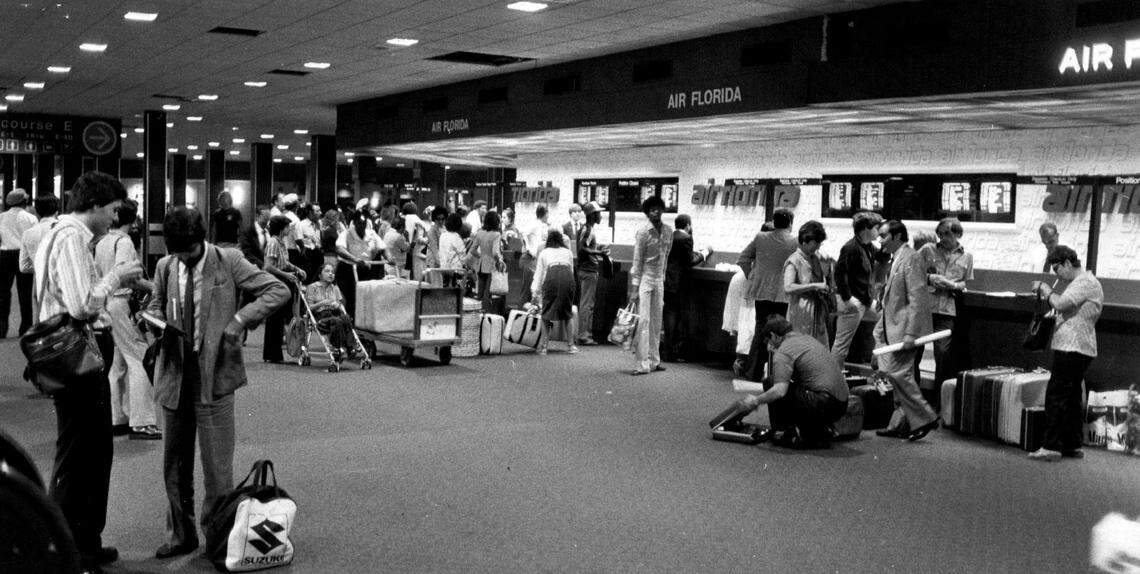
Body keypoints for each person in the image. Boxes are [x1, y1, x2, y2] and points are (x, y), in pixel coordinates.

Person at [147, 207, 288, 560]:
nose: (183, 259)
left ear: (203, 239)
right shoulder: (166, 266)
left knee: (217, 469)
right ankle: (181, 535)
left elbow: (276, 290)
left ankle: (218, 539)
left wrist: (240, 320)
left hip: (216, 378)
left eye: (189, 253)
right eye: (176, 253)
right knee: (174, 467)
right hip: (175, 377)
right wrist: (153, 319)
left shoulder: (230, 260)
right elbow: (155, 304)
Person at [33, 171, 144, 573]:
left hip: (71, 353)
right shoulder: (72, 238)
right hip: (78, 355)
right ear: (95, 205)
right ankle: (69, 547)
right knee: (82, 455)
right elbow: (82, 305)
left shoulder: (58, 233)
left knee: (89, 452)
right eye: (113, 210)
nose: (114, 218)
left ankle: (81, 541)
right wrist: (117, 276)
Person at [1028, 245, 1103, 461]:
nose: (1056, 275)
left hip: (1072, 346)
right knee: (1070, 398)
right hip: (1080, 347)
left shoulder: (1085, 282)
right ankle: (1072, 445)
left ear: (1068, 263)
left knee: (1056, 395)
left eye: (1056, 269)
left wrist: (1045, 289)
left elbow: (1061, 304)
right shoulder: (1085, 282)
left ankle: (1051, 446)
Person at [94, 199, 160, 441]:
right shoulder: (124, 241)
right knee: (140, 357)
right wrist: (153, 287)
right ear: (133, 220)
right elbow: (127, 277)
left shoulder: (102, 241)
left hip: (107, 304)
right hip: (121, 302)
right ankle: (142, 421)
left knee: (117, 363)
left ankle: (117, 417)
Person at [873, 220, 940, 442]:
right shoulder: (899, 259)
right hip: (893, 328)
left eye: (883, 236)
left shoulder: (911, 258)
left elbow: (918, 298)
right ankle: (900, 422)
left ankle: (925, 416)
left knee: (899, 373)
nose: (879, 240)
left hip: (904, 330)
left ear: (898, 236)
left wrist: (911, 333)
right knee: (896, 375)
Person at [739, 316, 849, 449]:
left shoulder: (784, 350)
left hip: (823, 403)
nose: (769, 345)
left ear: (773, 336)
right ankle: (818, 428)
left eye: (769, 340)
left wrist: (755, 401)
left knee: (772, 381)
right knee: (795, 384)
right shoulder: (806, 339)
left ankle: (782, 431)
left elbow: (779, 391)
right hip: (842, 404)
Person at [917, 217, 973, 407]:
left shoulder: (967, 256)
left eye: (947, 234)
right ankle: (913, 397)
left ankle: (939, 401)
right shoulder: (927, 250)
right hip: (925, 307)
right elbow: (912, 271)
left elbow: (967, 282)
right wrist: (931, 278)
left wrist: (954, 285)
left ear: (957, 233)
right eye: (940, 234)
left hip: (948, 309)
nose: (942, 238)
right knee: (915, 350)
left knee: (943, 353)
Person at [737, 207, 798, 380]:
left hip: (762, 290)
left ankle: (752, 372)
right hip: (783, 293)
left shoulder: (761, 237)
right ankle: (773, 373)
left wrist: (752, 274)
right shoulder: (795, 241)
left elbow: (743, 258)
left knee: (760, 330)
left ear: (774, 221)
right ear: (790, 223)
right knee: (779, 333)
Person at [831, 211, 882, 367]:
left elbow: (881, 257)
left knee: (886, 317)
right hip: (853, 300)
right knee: (842, 343)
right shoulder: (850, 247)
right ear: (866, 228)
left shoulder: (868, 247)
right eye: (877, 228)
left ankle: (877, 357)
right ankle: (833, 374)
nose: (878, 232)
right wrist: (848, 298)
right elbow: (839, 273)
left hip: (864, 300)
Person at [629, 196, 673, 375]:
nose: (656, 212)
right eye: (652, 210)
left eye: (658, 209)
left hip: (658, 281)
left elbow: (666, 257)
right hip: (645, 279)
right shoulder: (643, 231)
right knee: (644, 321)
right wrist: (634, 288)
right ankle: (641, 363)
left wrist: (662, 278)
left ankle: (654, 360)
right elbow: (637, 261)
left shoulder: (668, 231)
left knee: (657, 321)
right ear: (647, 213)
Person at [663, 214, 709, 362]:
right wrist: (703, 254)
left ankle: (667, 350)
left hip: (667, 280)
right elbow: (689, 261)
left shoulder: (669, 236)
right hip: (680, 282)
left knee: (669, 314)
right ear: (688, 225)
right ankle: (679, 349)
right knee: (680, 315)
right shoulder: (687, 238)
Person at [262, 215, 306, 363]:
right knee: (274, 318)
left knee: (279, 318)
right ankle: (271, 354)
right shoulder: (273, 242)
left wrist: (297, 269)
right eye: (287, 226)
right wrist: (286, 275)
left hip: (282, 280)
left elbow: (284, 262)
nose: (289, 228)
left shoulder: (282, 243)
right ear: (281, 228)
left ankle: (274, 354)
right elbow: (268, 266)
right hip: (275, 282)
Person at [783, 220, 833, 347]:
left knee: (821, 348)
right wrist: (815, 286)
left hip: (817, 310)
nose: (818, 246)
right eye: (816, 243)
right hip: (801, 310)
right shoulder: (794, 260)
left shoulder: (815, 258)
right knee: (803, 347)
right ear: (805, 242)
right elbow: (788, 287)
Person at [531, 228, 578, 355]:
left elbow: (539, 274)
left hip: (552, 276)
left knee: (546, 314)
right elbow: (572, 271)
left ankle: (544, 347)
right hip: (568, 278)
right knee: (567, 313)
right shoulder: (568, 252)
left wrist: (535, 292)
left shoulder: (544, 252)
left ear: (548, 241)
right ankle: (571, 346)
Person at [0, 188, 38, 337]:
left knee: (3, 293)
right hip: (23, 254)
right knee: (25, 293)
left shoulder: (1, 217)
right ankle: (25, 328)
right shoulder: (30, 218)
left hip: (4, 255)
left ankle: (2, 328)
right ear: (24, 201)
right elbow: (33, 238)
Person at [335, 209, 385, 319]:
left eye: (363, 222)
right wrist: (356, 260)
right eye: (359, 222)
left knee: (367, 296)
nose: (361, 225)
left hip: (365, 269)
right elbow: (339, 249)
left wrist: (389, 257)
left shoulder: (371, 234)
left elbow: (382, 247)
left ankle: (365, 322)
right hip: (348, 269)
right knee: (352, 298)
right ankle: (351, 323)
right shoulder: (346, 234)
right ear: (354, 222)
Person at [305, 263, 354, 359]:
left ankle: (350, 347)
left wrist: (338, 305)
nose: (331, 274)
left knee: (346, 317)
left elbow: (341, 305)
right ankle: (338, 347)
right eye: (327, 271)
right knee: (337, 321)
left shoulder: (335, 288)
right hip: (320, 316)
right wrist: (322, 303)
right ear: (320, 275)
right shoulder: (312, 287)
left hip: (334, 313)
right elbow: (308, 308)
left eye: (332, 272)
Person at [576, 202, 608, 346]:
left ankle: (584, 333)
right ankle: (584, 335)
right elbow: (583, 248)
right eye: (599, 213)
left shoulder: (585, 228)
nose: (601, 216)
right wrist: (599, 252)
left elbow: (585, 247)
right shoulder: (588, 229)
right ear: (592, 215)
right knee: (587, 304)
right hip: (588, 270)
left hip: (584, 269)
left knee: (586, 302)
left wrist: (596, 248)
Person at [469, 210, 504, 312]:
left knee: (480, 292)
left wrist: (482, 256)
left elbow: (472, 250)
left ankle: (476, 313)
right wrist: (499, 262)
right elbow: (495, 253)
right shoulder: (496, 234)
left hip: (480, 265)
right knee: (488, 293)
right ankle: (487, 313)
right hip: (491, 266)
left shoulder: (479, 233)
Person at [520, 205, 551, 309]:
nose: (548, 215)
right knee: (527, 287)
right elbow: (523, 233)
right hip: (530, 258)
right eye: (547, 213)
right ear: (544, 214)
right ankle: (522, 310)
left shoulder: (542, 225)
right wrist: (528, 248)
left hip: (536, 258)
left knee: (532, 286)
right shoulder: (535, 224)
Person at [401, 201, 430, 280]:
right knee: (416, 274)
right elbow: (419, 237)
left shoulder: (403, 218)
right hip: (416, 249)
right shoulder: (418, 220)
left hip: (404, 247)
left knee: (406, 270)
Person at [297, 203, 323, 283]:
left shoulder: (319, 224)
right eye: (317, 211)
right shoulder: (302, 225)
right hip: (308, 257)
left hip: (319, 255)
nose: (320, 213)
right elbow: (298, 241)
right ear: (310, 213)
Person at [425, 205, 448, 271]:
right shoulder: (432, 231)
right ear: (434, 219)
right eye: (438, 219)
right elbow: (434, 248)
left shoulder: (445, 229)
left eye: (443, 219)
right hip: (433, 260)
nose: (441, 221)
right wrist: (441, 263)